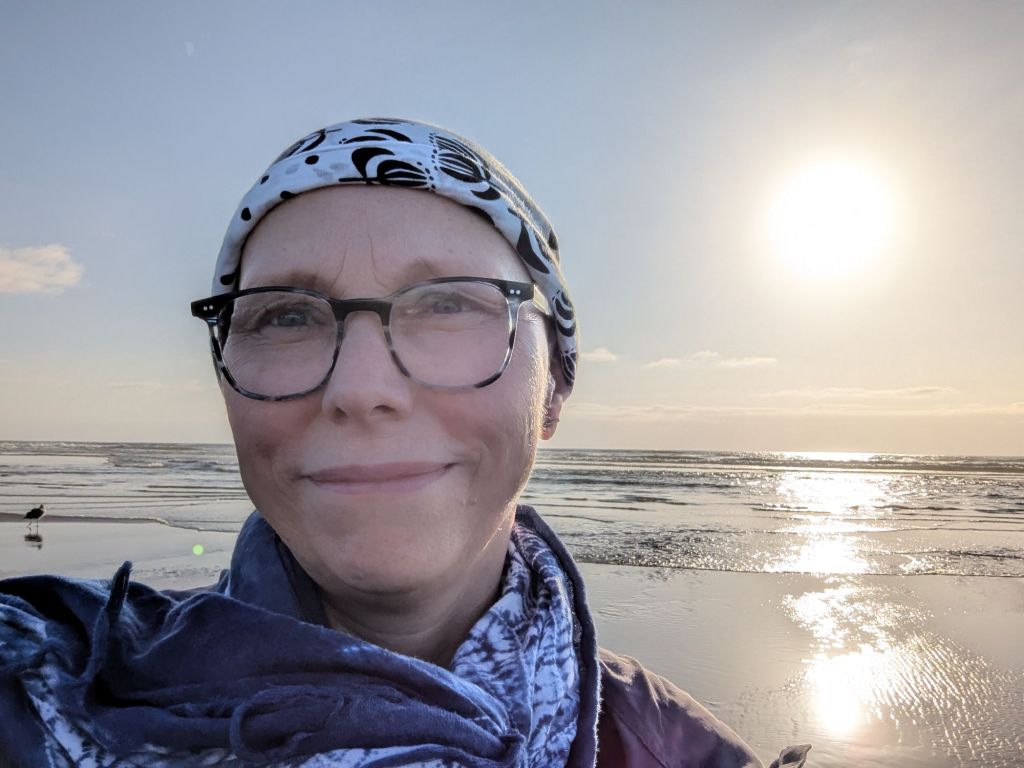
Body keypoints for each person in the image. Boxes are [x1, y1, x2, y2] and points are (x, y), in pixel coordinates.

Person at [0, 118, 809, 768]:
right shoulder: (47, 687)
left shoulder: (670, 748)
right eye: (285, 315)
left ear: (554, 388)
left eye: (449, 305)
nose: (360, 388)